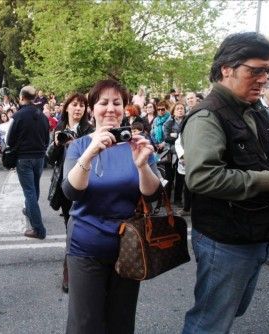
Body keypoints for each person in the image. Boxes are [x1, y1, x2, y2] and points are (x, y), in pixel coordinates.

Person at [180, 32, 269, 333]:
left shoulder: (255, 109)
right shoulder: (207, 116)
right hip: (225, 240)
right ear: (227, 68)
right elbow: (203, 176)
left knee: (229, 311)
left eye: (268, 70)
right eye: (256, 70)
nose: (264, 78)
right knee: (209, 322)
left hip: (254, 233)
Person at [62, 79, 160, 333]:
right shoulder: (79, 145)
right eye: (103, 102)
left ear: (125, 108)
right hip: (86, 245)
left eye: (117, 103)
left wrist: (142, 165)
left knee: (121, 321)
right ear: (91, 109)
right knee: (85, 324)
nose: (110, 109)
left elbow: (152, 194)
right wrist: (90, 153)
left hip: (129, 246)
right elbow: (71, 190)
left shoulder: (137, 142)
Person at [46, 93, 94, 293]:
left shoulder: (90, 130)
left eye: (82, 105)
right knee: (71, 229)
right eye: (75, 105)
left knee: (87, 228)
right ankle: (69, 271)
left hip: (86, 183)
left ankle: (88, 270)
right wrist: (57, 144)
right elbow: (50, 158)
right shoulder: (59, 128)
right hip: (65, 186)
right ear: (67, 107)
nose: (78, 109)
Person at [7, 85, 49, 239]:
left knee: (29, 192)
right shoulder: (42, 116)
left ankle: (38, 229)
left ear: (21, 97)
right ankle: (31, 210)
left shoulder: (18, 116)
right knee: (34, 188)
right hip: (39, 157)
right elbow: (47, 138)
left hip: (24, 158)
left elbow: (10, 139)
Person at [164, 102, 186, 207]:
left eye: (182, 108)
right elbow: (166, 138)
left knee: (180, 178)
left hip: (183, 153)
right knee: (169, 177)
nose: (180, 110)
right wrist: (178, 136)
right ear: (173, 111)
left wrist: (175, 136)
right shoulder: (168, 123)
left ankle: (178, 200)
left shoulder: (187, 121)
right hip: (171, 153)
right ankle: (166, 199)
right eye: (178, 108)